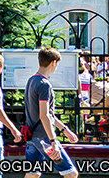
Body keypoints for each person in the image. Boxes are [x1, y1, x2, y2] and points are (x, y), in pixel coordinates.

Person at [23, 47, 79, 178]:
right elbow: (44, 115)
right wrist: (53, 141)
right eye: (57, 64)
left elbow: (47, 114)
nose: (56, 67)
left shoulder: (31, 80)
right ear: (53, 62)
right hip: (44, 138)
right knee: (71, 173)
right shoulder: (44, 84)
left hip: (32, 137)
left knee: (32, 174)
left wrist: (65, 130)